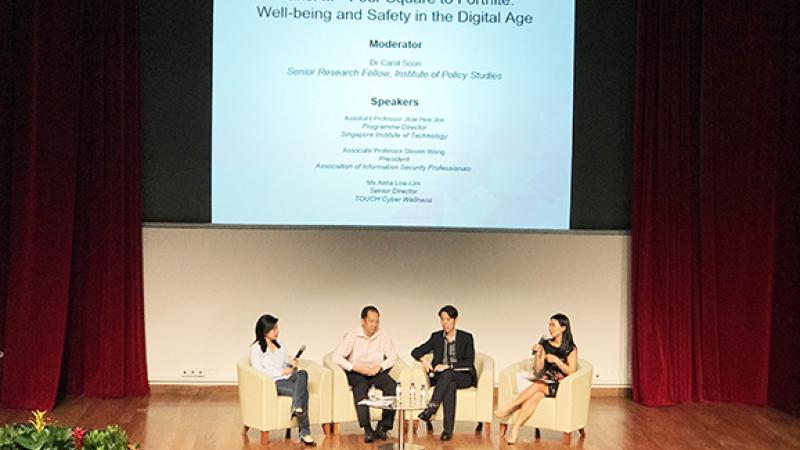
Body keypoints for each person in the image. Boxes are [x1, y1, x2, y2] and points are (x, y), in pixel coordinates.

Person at [493, 313, 578, 444]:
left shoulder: (570, 348)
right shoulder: (545, 344)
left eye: (553, 325)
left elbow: (571, 372)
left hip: (560, 384)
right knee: (536, 395)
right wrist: (538, 355)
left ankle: (510, 407)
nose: (550, 328)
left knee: (539, 385)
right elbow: (538, 369)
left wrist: (557, 361)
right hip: (544, 380)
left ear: (563, 328)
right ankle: (515, 429)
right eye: (549, 325)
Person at [332, 305, 399, 443]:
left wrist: (380, 366)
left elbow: (393, 357)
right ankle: (367, 428)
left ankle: (383, 426)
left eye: (377, 321)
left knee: (392, 386)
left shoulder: (383, 336)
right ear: (363, 321)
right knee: (360, 388)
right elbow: (337, 356)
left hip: (375, 371)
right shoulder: (352, 336)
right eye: (371, 321)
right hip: (357, 372)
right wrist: (355, 367)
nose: (374, 325)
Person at [411, 305, 477, 441]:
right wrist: (424, 360)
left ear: (455, 320)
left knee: (448, 374)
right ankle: (447, 430)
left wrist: (448, 366)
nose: (445, 323)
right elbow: (415, 351)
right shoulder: (436, 337)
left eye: (448, 319)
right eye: (442, 319)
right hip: (443, 378)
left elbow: (469, 362)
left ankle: (431, 408)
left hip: (463, 376)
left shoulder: (466, 337)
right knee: (450, 384)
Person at [249, 314, 316, 446]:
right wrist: (280, 372)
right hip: (273, 382)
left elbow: (284, 364)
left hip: (287, 377)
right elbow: (258, 371)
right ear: (264, 330)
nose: (276, 331)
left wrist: (291, 365)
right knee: (303, 392)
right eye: (273, 329)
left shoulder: (280, 346)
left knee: (302, 373)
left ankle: (296, 406)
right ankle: (305, 433)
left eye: (277, 328)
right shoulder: (256, 348)